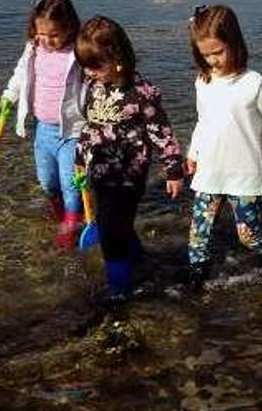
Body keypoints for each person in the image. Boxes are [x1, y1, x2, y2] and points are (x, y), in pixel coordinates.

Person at [183, 5, 262, 290]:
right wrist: (193, 152)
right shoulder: (203, 81)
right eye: (205, 55)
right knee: (199, 237)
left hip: (244, 176)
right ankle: (195, 286)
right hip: (209, 172)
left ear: (234, 43)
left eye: (218, 52)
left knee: (248, 235)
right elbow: (203, 121)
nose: (213, 60)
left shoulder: (253, 83)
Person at [73, 15, 184, 302]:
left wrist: (173, 169)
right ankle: (140, 260)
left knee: (110, 230)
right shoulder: (94, 85)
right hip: (99, 169)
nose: (90, 72)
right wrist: (79, 158)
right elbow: (90, 127)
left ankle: (118, 289)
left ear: (118, 57)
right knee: (115, 223)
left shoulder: (141, 93)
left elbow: (161, 132)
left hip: (128, 173)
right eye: (85, 65)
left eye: (96, 65)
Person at [0, 0, 86, 249]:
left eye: (54, 35)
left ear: (70, 27)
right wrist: (9, 95)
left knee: (71, 183)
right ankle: (60, 212)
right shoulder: (33, 48)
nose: (48, 40)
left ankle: (72, 220)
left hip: (73, 132)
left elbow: (95, 85)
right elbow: (20, 74)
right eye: (42, 34)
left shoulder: (79, 53)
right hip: (43, 129)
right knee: (47, 180)